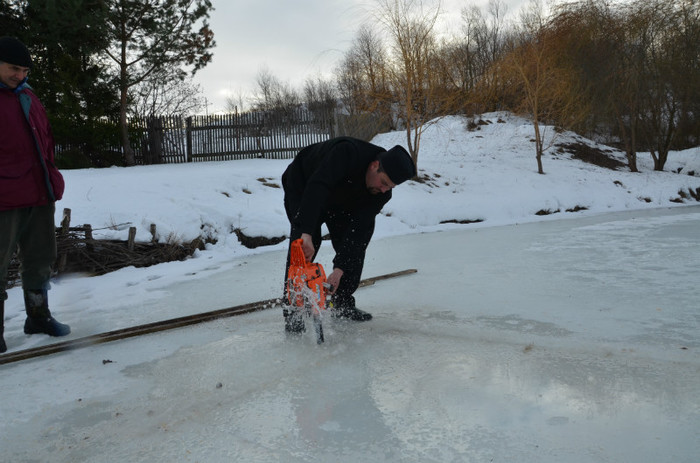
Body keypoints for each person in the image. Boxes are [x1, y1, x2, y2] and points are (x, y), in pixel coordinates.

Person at [281, 136, 416, 333]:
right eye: (384, 182)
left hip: (342, 200)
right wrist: (307, 231)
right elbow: (317, 186)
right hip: (304, 184)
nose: (384, 189)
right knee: (304, 246)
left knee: (353, 246)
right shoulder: (346, 152)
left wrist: (340, 269)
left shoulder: (381, 193)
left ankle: (342, 303)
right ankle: (292, 312)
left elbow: (360, 231)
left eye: (390, 187)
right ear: (374, 165)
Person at [0, 36, 70, 353]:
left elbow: (45, 143)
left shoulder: (28, 96)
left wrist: (50, 177)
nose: (20, 76)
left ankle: (38, 318)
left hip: (38, 191)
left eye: (25, 70)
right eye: (14, 69)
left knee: (41, 258)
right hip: (4, 196)